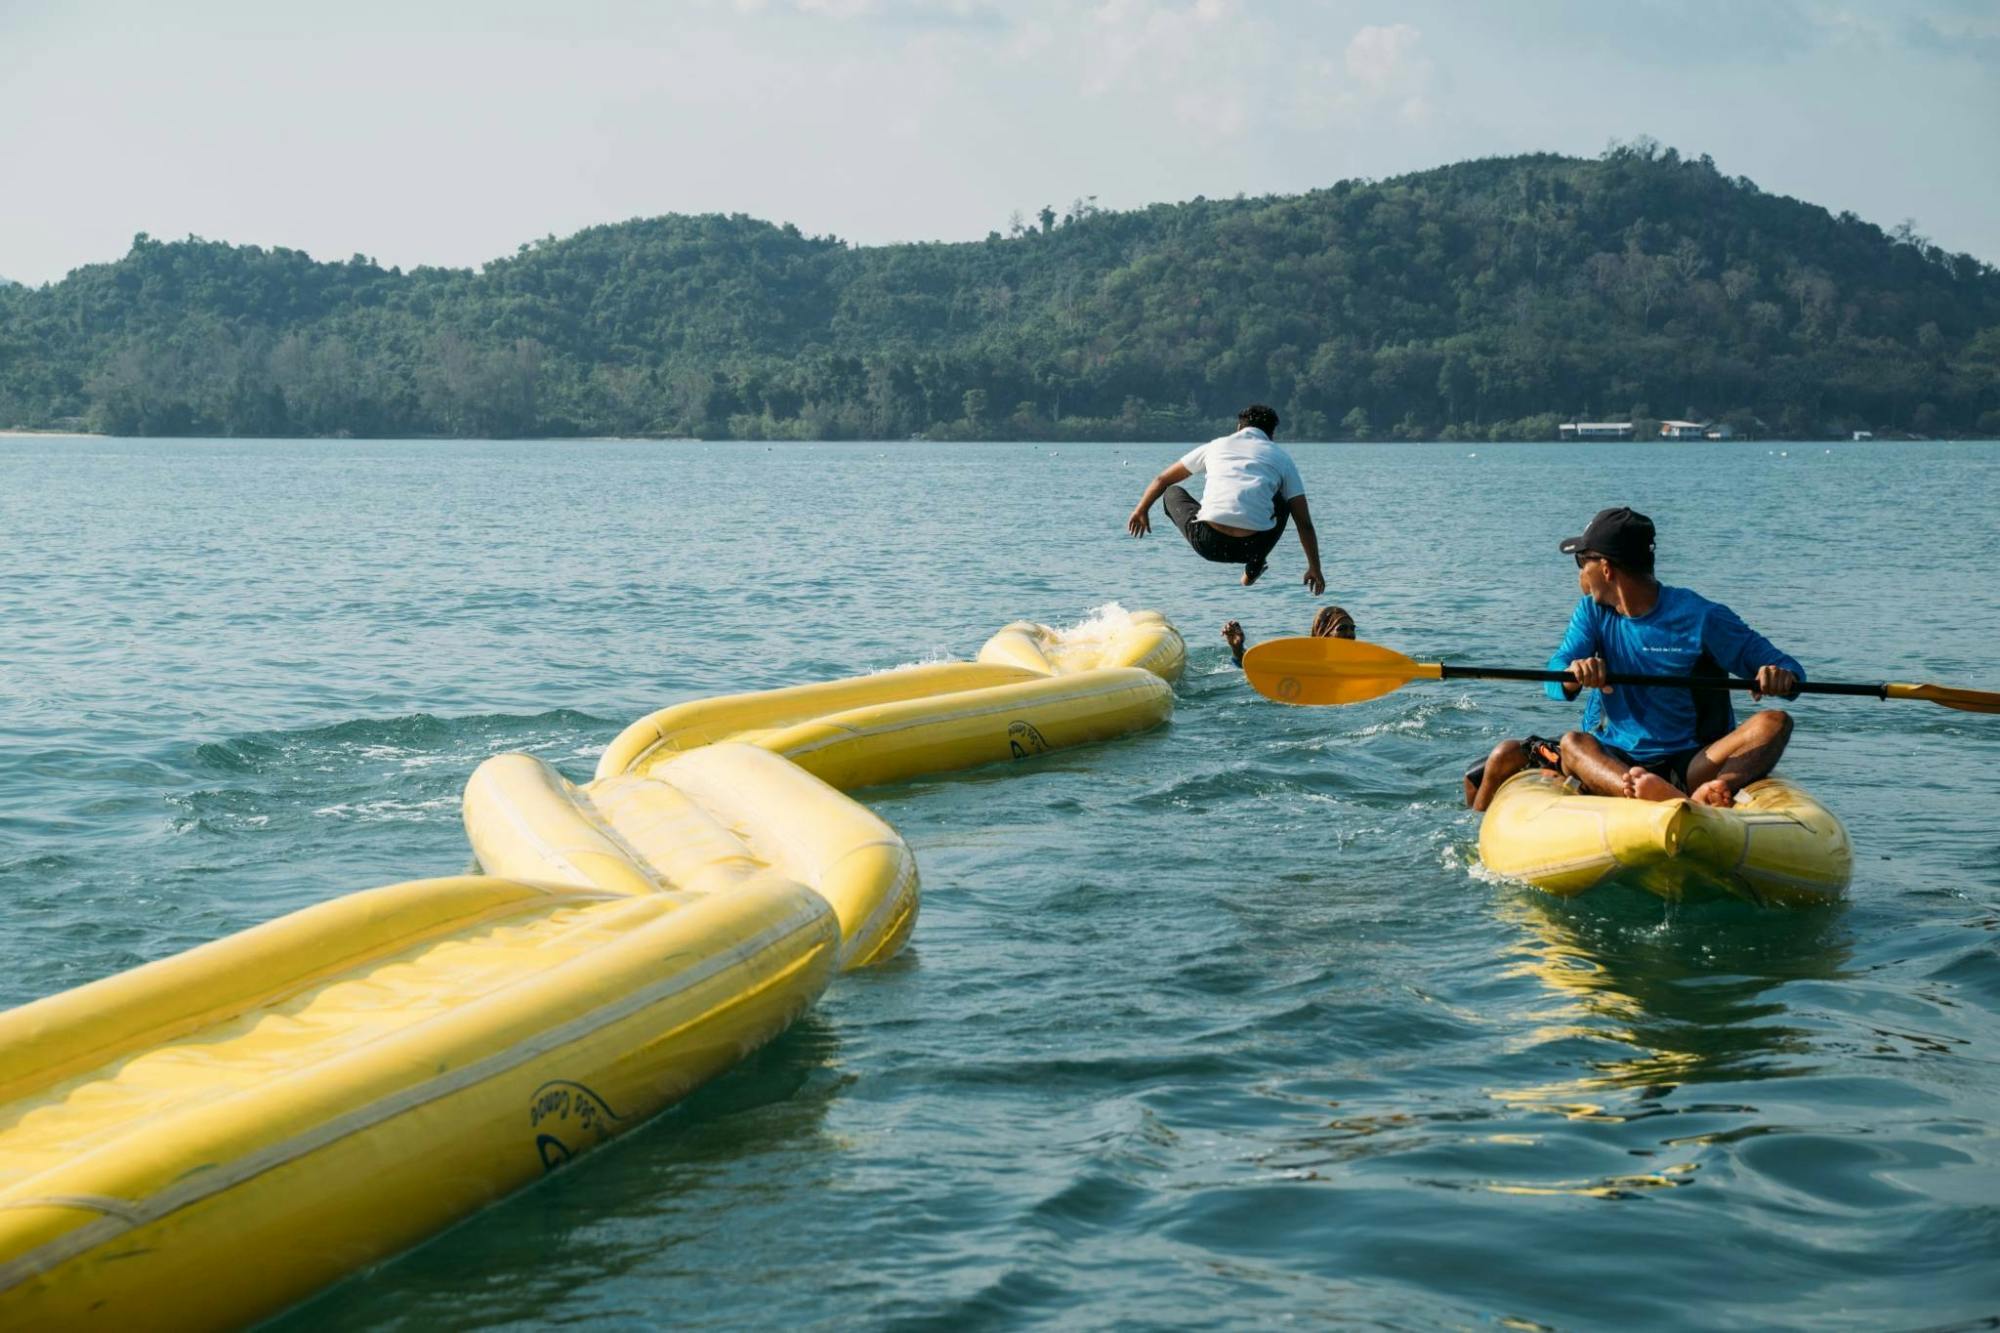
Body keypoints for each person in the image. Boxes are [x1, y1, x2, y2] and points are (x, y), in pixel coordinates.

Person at [1464, 506, 1803, 812]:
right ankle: (1648, 793)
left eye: (1583, 562)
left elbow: (1789, 670)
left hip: (1694, 761)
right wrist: (1574, 673)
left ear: (1606, 569)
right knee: (1570, 744)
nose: (1580, 574)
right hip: (1614, 759)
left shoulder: (1703, 617)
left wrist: (1778, 675)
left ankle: (1713, 791)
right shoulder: (1592, 612)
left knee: (1774, 720)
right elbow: (1554, 679)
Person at [1127, 404, 1325, 593]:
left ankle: (1251, 560)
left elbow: (1163, 479)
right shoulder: (1282, 458)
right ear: (1271, 435)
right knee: (1286, 500)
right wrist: (1314, 568)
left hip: (1208, 543)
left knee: (1171, 491)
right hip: (1253, 548)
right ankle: (1255, 565)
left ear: (1239, 427)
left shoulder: (1216, 446)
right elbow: (1304, 523)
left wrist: (1141, 510)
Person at [1221, 606, 1355, 667]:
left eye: (1352, 628)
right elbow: (1258, 666)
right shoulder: (1303, 657)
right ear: (1324, 632)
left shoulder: (1357, 658)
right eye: (1342, 629)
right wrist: (1237, 648)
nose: (1350, 634)